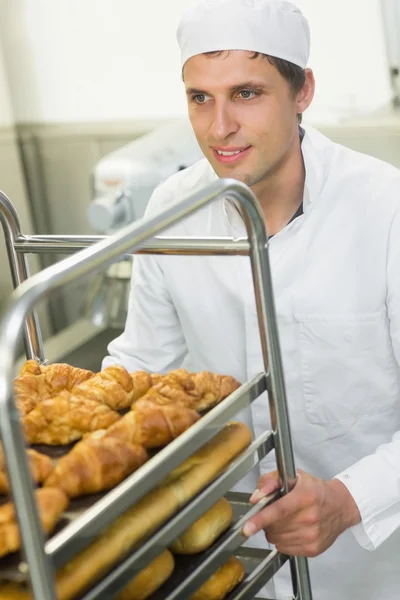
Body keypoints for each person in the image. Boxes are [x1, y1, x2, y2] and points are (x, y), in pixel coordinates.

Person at [102, 0, 400, 598]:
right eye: (199, 98)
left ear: (302, 91)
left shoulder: (385, 209)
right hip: (232, 560)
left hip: (373, 566)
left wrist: (347, 500)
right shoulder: (172, 210)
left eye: (246, 94)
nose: (219, 128)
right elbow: (140, 368)